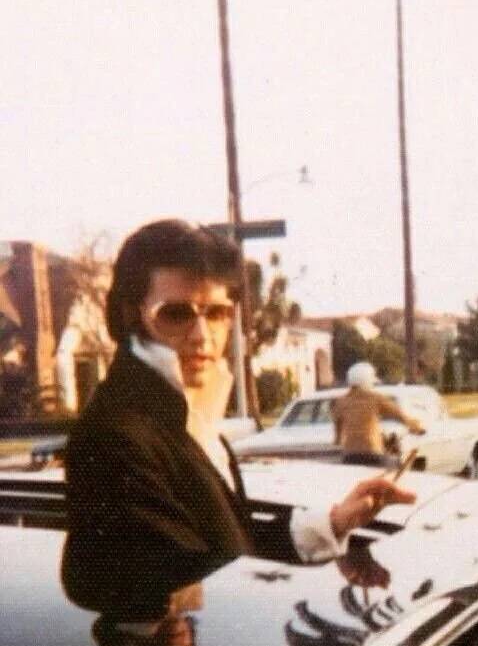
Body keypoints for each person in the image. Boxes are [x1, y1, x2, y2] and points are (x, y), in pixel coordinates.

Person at [62, 219, 415, 621]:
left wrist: (334, 522)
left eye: (216, 313)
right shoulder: (116, 437)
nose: (203, 336)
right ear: (132, 315)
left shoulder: (185, 415)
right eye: (176, 314)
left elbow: (226, 542)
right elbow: (204, 583)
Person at [332, 361, 425, 467]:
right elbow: (399, 415)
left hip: (349, 455)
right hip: (372, 453)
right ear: (367, 381)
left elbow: (337, 432)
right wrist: (416, 427)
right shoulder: (375, 398)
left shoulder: (341, 402)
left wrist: (338, 440)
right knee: (395, 467)